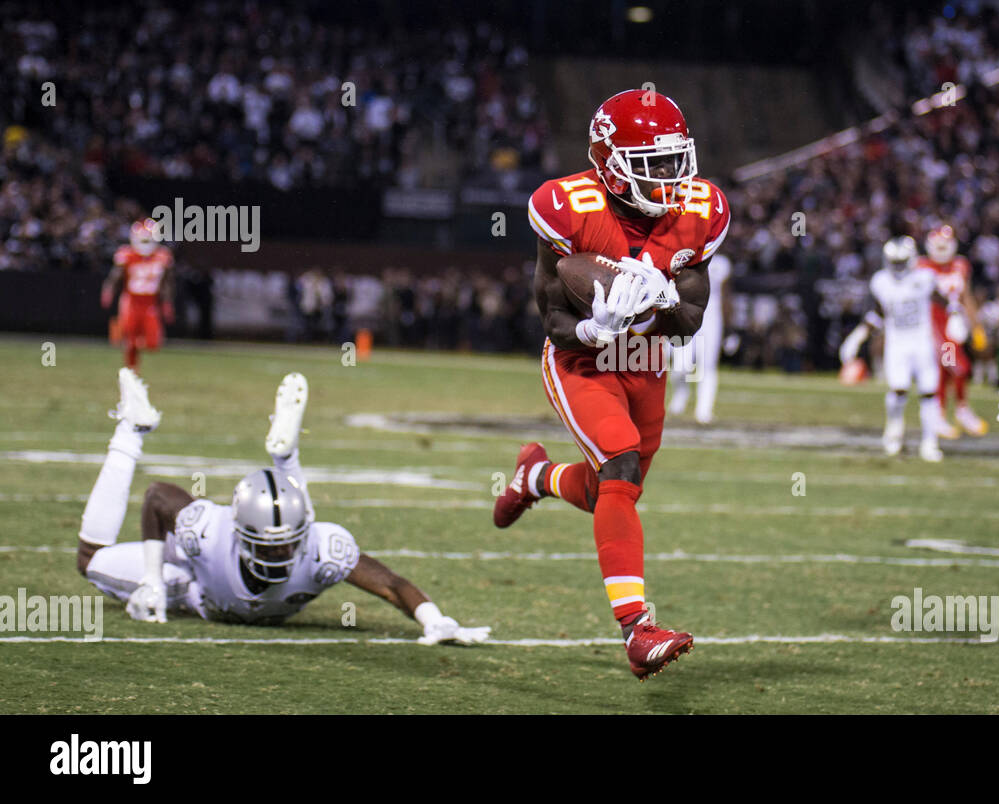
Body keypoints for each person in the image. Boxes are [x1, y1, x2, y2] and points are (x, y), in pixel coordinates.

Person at [492, 89, 729, 679]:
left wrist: (664, 297)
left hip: (647, 361)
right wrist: (599, 327)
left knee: (611, 493)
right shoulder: (567, 205)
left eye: (675, 161)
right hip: (581, 361)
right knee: (619, 462)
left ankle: (536, 476)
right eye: (653, 165)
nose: (671, 179)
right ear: (611, 164)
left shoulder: (700, 210)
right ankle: (637, 629)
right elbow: (550, 318)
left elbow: (689, 322)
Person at [76, 369, 489, 644]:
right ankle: (133, 427)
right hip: (192, 577)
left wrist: (435, 620)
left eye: (286, 544)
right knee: (90, 561)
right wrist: (151, 577)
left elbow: (394, 585)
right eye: (268, 545)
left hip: (215, 588)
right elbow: (157, 497)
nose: (278, 553)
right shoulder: (208, 529)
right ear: (240, 534)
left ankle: (287, 458)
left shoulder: (319, 548)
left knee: (296, 522)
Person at [840, 236, 949, 461]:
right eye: (895, 262)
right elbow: (878, 313)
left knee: (929, 393)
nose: (898, 266)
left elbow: (944, 301)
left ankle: (930, 442)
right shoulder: (881, 281)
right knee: (898, 391)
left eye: (901, 261)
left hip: (922, 342)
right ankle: (894, 432)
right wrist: (858, 335)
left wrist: (957, 316)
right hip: (898, 344)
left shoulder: (925, 277)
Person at [917, 225, 989, 438]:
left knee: (945, 370)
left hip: (954, 324)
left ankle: (941, 414)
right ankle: (960, 409)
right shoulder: (921, 267)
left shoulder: (960, 265)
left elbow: (966, 297)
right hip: (933, 326)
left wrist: (977, 327)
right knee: (958, 366)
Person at [101, 219, 174, 370]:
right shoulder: (127, 254)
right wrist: (108, 290)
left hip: (150, 303)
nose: (146, 242)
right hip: (131, 301)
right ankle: (132, 371)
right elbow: (115, 276)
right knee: (130, 341)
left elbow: (166, 282)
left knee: (153, 344)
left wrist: (167, 302)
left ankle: (126, 340)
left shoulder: (162, 256)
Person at [668, 252, 731, 424]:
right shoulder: (683, 256)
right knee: (681, 365)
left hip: (711, 320)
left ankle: (704, 410)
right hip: (686, 315)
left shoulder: (721, 263)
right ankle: (681, 395)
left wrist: (730, 328)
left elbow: (726, 296)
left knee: (708, 365)